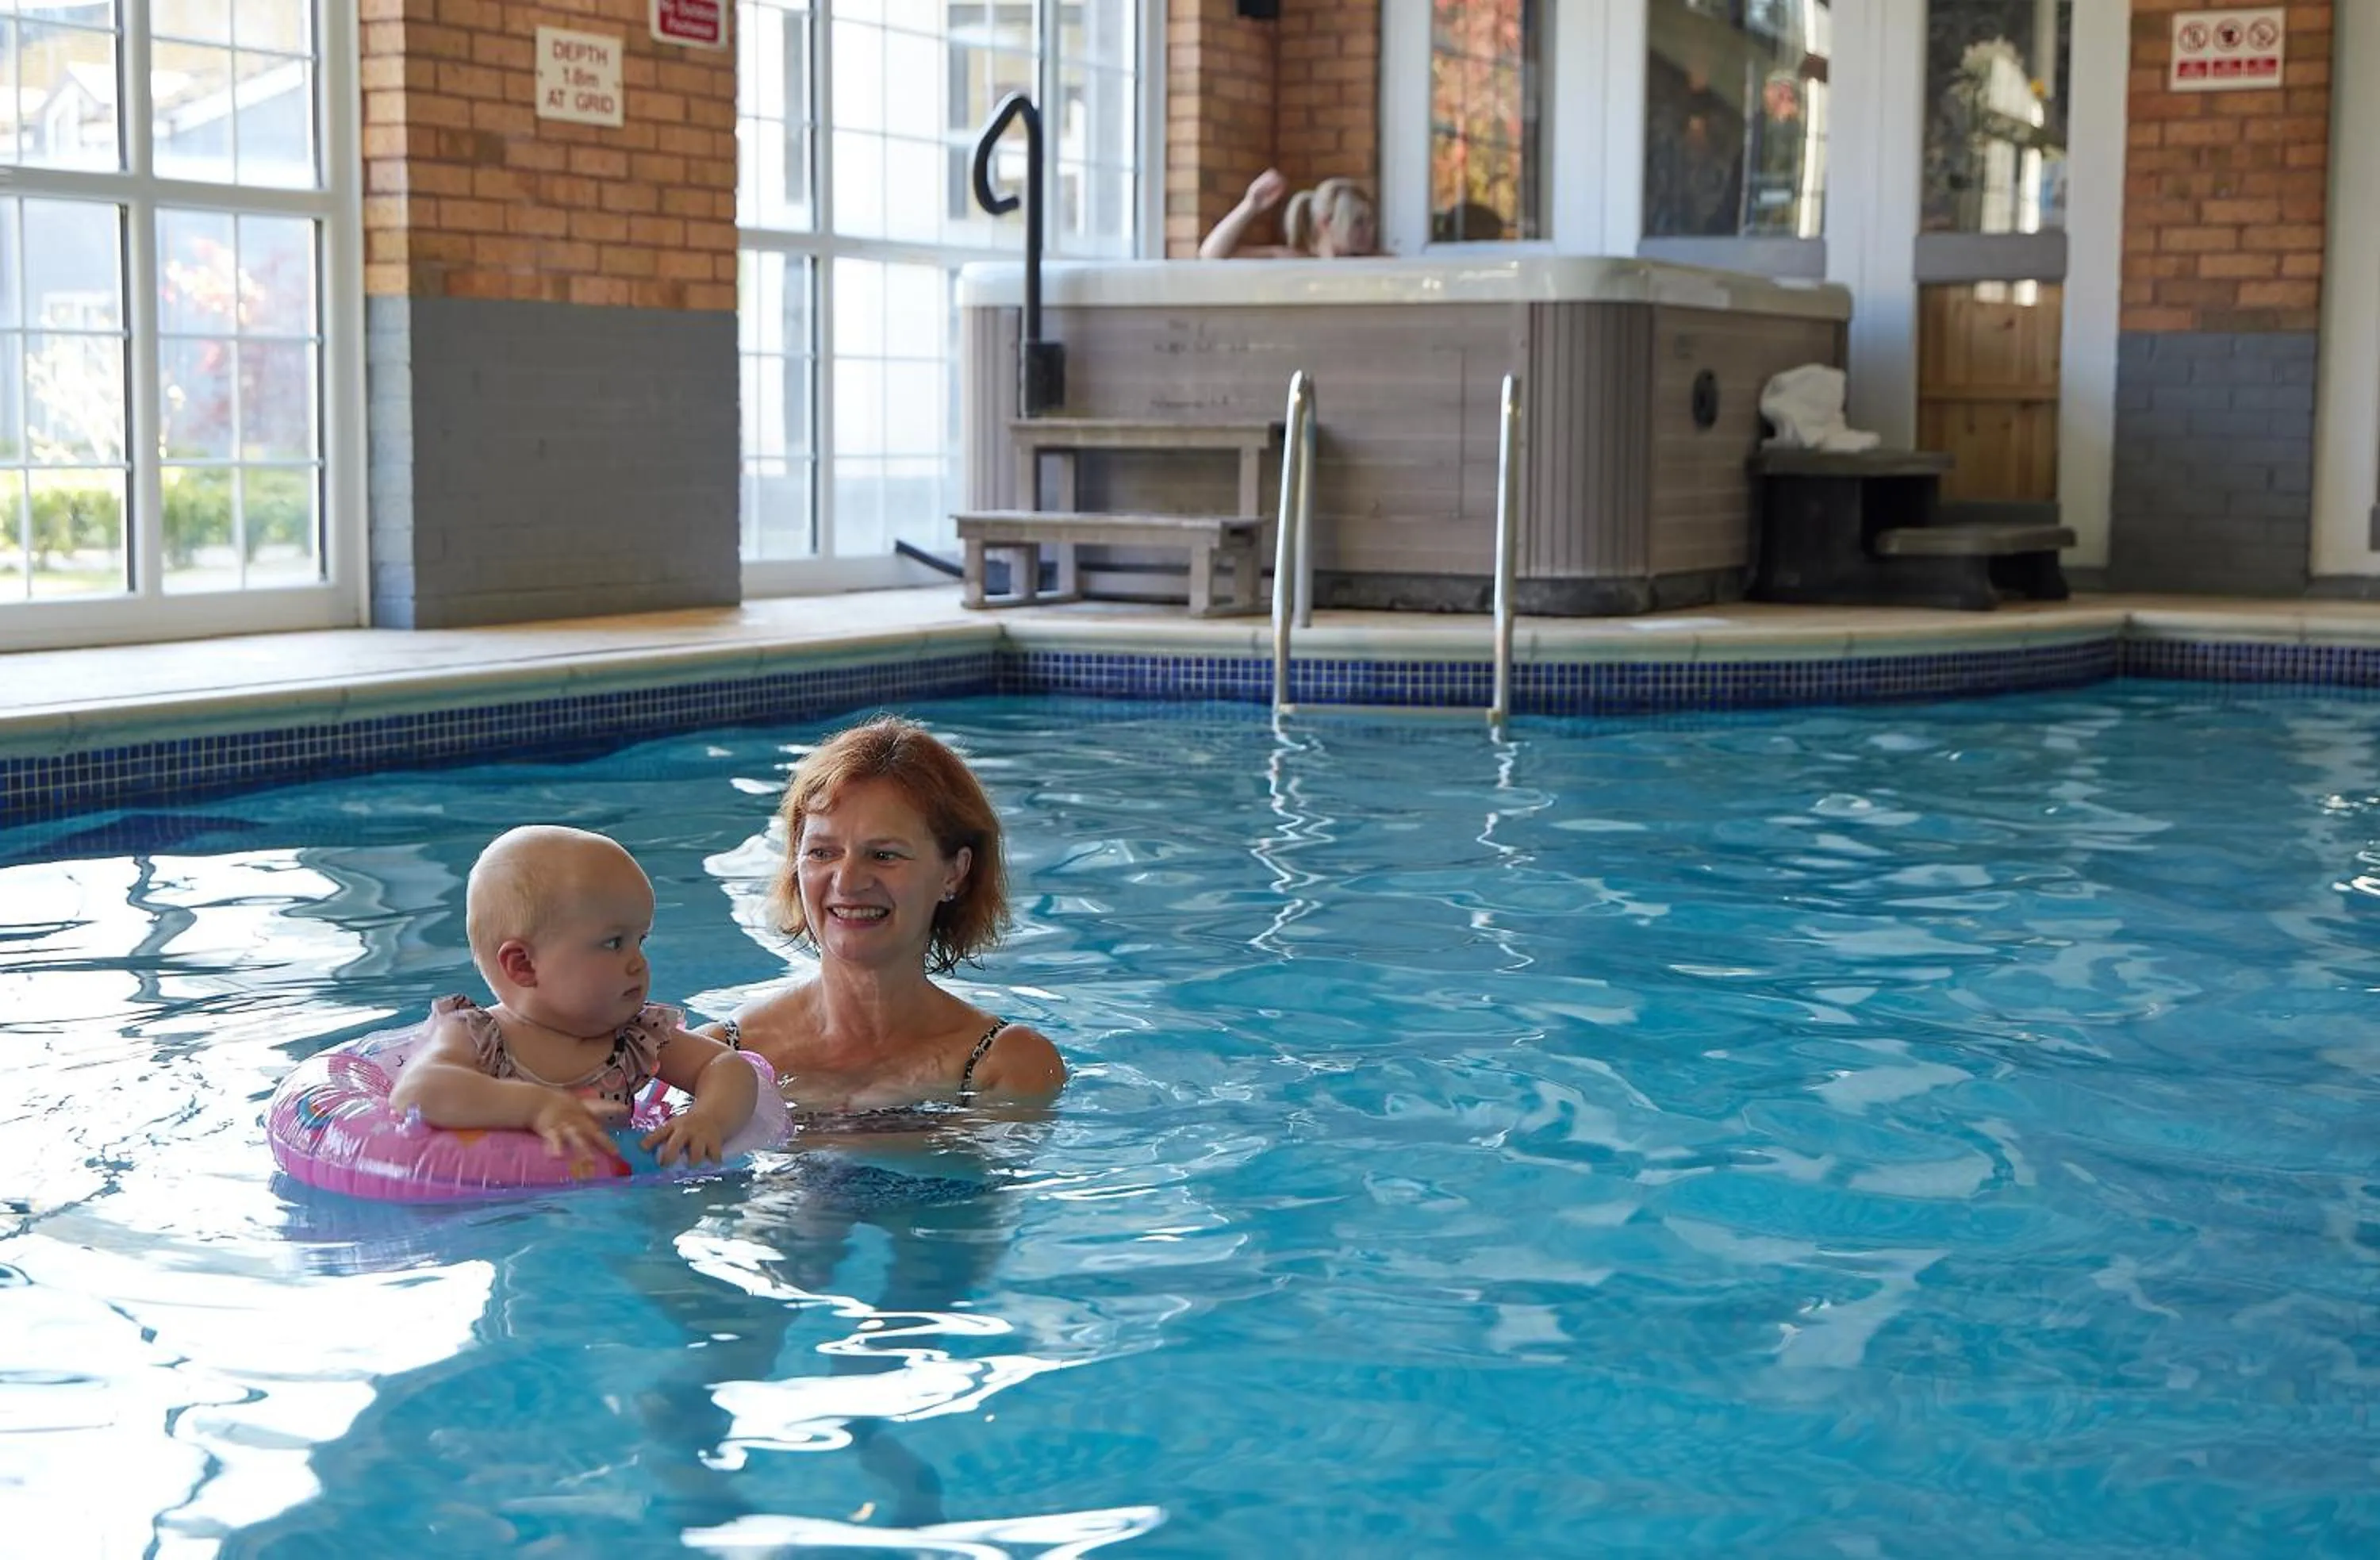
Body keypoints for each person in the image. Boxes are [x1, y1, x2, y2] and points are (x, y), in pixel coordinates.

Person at [707, 715, 1066, 1113]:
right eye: (822, 852)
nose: (847, 882)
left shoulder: (1005, 1066)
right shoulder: (717, 1058)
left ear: (955, 872)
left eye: (883, 855)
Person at [387, 824, 760, 1165]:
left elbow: (726, 1066)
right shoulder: (479, 1036)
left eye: (640, 940)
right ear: (524, 966)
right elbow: (417, 1091)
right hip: (498, 1199)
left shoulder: (633, 1037)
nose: (639, 963)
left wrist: (706, 1119)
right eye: (614, 943)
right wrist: (534, 1107)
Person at [1199, 167, 1379, 259]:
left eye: (1370, 221)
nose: (1368, 230)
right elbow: (1211, 257)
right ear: (1325, 223)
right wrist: (1249, 206)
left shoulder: (1379, 263)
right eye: (1358, 222)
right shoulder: (1294, 262)